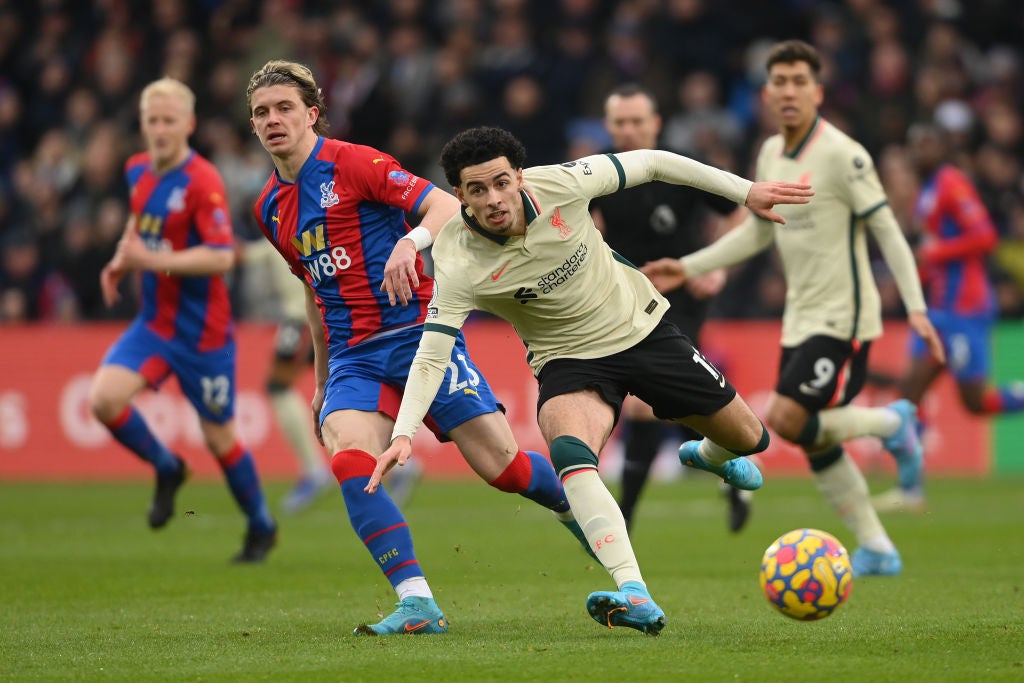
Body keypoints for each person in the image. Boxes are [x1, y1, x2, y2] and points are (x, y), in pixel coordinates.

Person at [369, 125, 814, 636]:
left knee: (750, 438)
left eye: (500, 183)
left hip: (642, 329)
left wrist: (746, 191)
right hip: (569, 361)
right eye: (476, 190)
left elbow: (653, 162)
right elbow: (432, 352)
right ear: (459, 195)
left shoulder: (563, 182)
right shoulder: (457, 258)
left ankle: (706, 455)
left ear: (519, 177)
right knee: (569, 451)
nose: (492, 199)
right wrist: (404, 431)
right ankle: (635, 592)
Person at [245, 60, 591, 636]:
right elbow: (314, 290)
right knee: (352, 459)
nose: (272, 119)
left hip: (417, 336)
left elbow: (446, 206)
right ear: (253, 127)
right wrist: (323, 378)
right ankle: (417, 602)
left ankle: (584, 512)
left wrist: (410, 242)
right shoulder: (268, 208)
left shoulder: (353, 162)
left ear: (312, 114)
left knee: (502, 468)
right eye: (261, 112)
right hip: (354, 355)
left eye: (284, 108)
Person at [642, 40, 946, 577]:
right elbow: (759, 235)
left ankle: (885, 423)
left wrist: (917, 306)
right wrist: (688, 267)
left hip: (844, 317)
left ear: (817, 91)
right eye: (779, 81)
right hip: (801, 318)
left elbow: (888, 233)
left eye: (799, 81)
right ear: (765, 93)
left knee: (785, 416)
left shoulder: (844, 154)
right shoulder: (768, 155)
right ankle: (877, 546)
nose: (788, 91)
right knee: (813, 433)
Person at [89, 77, 277, 563]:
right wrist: (120, 259)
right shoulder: (137, 171)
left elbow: (220, 257)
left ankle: (261, 524)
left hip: (203, 333)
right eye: (152, 120)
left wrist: (151, 260)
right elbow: (138, 223)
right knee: (104, 400)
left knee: (219, 438)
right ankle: (167, 466)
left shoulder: (203, 181)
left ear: (188, 124)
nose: (160, 129)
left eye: (169, 120)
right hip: (154, 323)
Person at [591, 83, 751, 534]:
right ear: (608, 126)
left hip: (679, 298)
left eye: (636, 121)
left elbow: (739, 208)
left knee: (645, 403)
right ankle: (731, 476)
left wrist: (715, 264)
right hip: (624, 299)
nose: (628, 129)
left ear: (655, 123)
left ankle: (624, 519)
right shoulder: (596, 173)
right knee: (676, 405)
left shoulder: (680, 168)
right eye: (619, 122)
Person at [873, 123, 1023, 513]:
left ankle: (911, 490)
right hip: (938, 310)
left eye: (926, 143)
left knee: (975, 402)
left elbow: (986, 236)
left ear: (940, 148)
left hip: (965, 309)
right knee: (908, 391)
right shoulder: (927, 192)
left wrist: (934, 254)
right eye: (915, 143)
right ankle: (910, 489)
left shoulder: (951, 182)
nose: (919, 150)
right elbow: (933, 256)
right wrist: (917, 275)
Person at [245, 240, 422, 514]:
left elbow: (259, 253)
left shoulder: (288, 215)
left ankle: (315, 470)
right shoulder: (306, 216)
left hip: (305, 318)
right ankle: (398, 463)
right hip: (329, 315)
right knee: (349, 390)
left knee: (282, 387)